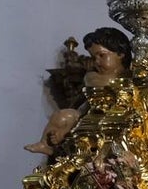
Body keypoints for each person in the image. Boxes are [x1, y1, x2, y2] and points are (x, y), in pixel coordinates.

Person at [25, 27, 132, 155]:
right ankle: (45, 145)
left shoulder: (131, 77)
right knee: (62, 116)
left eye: (102, 55)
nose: (97, 62)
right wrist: (65, 130)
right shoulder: (92, 77)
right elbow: (84, 104)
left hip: (116, 123)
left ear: (120, 54)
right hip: (88, 117)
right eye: (93, 57)